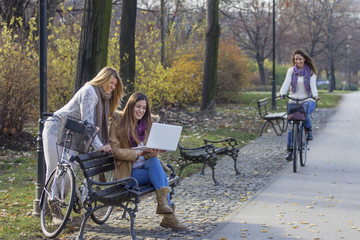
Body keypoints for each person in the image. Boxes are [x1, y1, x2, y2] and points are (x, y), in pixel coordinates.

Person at [109, 91, 188, 231]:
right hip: (128, 174)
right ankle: (169, 216)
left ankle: (166, 211)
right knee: (161, 175)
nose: (141, 111)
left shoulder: (145, 126)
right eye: (138, 106)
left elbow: (150, 154)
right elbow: (116, 151)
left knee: (155, 163)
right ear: (131, 105)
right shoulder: (117, 123)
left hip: (146, 167)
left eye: (144, 108)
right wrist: (138, 153)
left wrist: (155, 151)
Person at [42, 66, 124, 180]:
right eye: (111, 83)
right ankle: (49, 197)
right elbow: (88, 124)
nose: (113, 87)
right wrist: (99, 146)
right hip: (55, 129)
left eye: (115, 85)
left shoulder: (104, 98)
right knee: (54, 171)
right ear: (103, 79)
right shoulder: (89, 92)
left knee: (68, 176)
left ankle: (59, 197)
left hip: (72, 134)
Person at [277, 50, 319, 161]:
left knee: (305, 113)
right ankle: (290, 150)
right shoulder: (291, 71)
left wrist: (315, 95)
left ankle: (308, 130)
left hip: (307, 99)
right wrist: (281, 93)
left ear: (304, 59)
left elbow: (313, 85)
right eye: (296, 59)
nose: (298, 61)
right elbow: (286, 82)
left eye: (300, 59)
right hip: (294, 100)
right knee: (291, 126)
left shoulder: (310, 71)